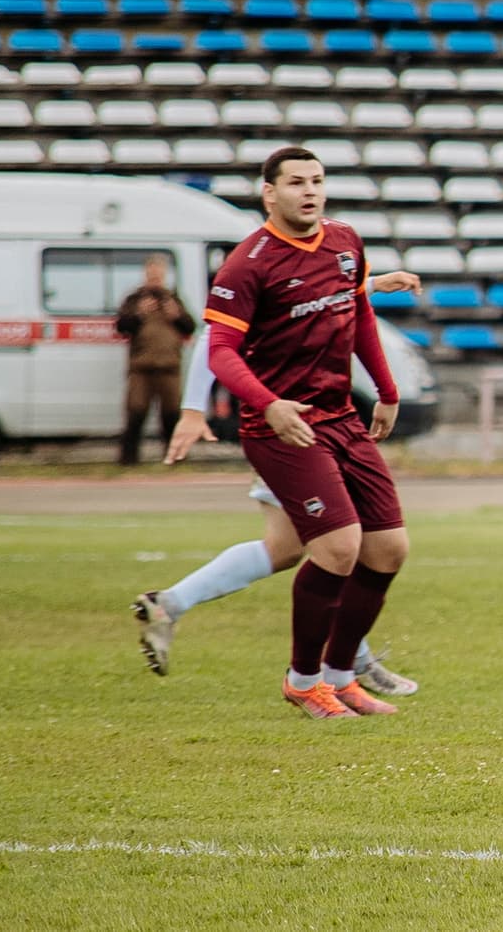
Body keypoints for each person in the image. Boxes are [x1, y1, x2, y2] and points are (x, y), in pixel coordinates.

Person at [130, 268, 425, 696]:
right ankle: (348, 665)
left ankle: (169, 604)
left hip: (318, 426)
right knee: (341, 545)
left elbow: (319, 296)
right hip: (293, 433)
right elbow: (215, 339)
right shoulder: (254, 272)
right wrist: (193, 409)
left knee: (289, 548)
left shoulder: (305, 270)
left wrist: (374, 283)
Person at [204, 146, 410, 719]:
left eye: (317, 181)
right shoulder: (248, 264)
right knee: (339, 547)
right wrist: (268, 405)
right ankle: (303, 680)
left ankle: (343, 677)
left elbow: (360, 315)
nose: (310, 191)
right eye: (296, 182)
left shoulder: (345, 241)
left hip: (340, 415)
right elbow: (220, 352)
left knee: (388, 548)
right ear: (269, 192)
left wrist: (387, 390)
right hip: (281, 427)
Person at [114, 254, 195, 465]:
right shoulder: (134, 300)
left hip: (169, 366)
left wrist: (176, 316)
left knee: (171, 414)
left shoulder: (174, 299)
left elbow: (190, 326)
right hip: (141, 367)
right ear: (146, 274)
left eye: (159, 274)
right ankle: (128, 459)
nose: (155, 278)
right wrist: (139, 314)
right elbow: (122, 326)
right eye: (152, 274)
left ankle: (174, 457)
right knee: (136, 411)